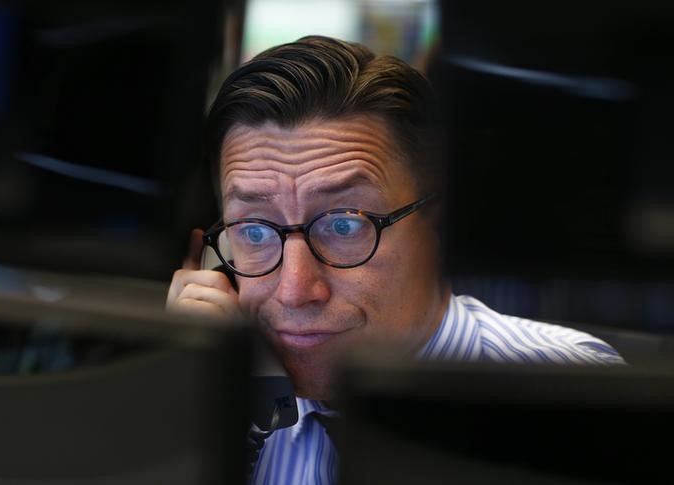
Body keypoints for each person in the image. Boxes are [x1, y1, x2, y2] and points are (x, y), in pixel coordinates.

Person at [166, 35, 624, 484]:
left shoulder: (566, 395)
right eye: (254, 231)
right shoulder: (215, 410)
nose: (295, 290)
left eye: (344, 225)